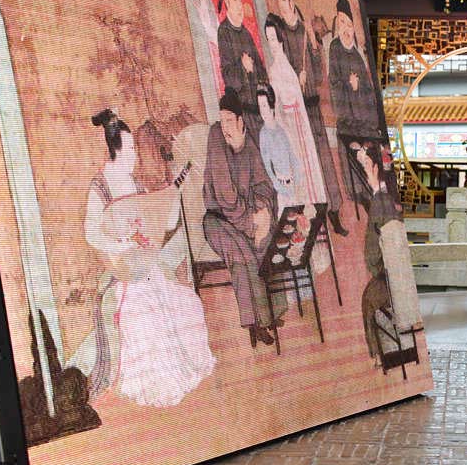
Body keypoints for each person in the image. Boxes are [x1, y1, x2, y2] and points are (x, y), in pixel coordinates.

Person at [82, 108, 215, 407]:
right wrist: (121, 243)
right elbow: (92, 234)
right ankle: (152, 379)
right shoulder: (99, 187)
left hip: (146, 264)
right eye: (130, 149)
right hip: (121, 270)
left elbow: (163, 223)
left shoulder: (136, 185)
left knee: (185, 302)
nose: (135, 155)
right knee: (143, 309)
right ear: (115, 150)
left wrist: (173, 195)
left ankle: (175, 370)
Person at [203, 88, 279, 347]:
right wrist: (251, 224)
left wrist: (262, 212)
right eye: (221, 120)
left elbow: (264, 184)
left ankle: (267, 314)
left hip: (245, 217)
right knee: (242, 254)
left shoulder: (248, 141)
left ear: (240, 120)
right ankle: (254, 323)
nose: (225, 126)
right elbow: (225, 197)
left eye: (229, 120)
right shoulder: (216, 136)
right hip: (217, 220)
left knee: (266, 242)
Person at [274, 0, 348, 236]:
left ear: (291, 1)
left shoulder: (305, 30)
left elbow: (318, 77)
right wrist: (294, 79)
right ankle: (315, 217)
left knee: (324, 161)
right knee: (304, 164)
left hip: (312, 108)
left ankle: (334, 211)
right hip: (295, 109)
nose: (280, 4)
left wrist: (314, 51)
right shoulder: (280, 33)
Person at [263, 14, 328, 209]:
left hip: (299, 124)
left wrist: (298, 85)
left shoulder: (286, 64)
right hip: (289, 127)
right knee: (298, 168)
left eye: (274, 38)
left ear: (281, 38)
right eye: (268, 39)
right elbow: (280, 103)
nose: (272, 44)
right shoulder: (274, 70)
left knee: (308, 166)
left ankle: (313, 206)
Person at [327, 0, 383, 207]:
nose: (345, 28)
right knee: (353, 144)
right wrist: (349, 86)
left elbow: (368, 92)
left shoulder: (358, 56)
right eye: (341, 22)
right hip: (347, 121)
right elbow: (334, 84)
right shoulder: (335, 49)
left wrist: (358, 90)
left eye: (349, 24)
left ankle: (375, 193)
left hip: (363, 120)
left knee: (373, 145)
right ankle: (363, 196)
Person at [350, 141, 402, 359]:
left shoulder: (379, 205)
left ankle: (381, 355)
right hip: (408, 276)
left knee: (368, 300)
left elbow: (373, 259)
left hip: (393, 283)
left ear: (374, 169)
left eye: (366, 167)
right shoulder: (396, 198)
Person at [217, 0, 267, 144]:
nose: (239, 6)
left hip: (258, 110)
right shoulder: (224, 32)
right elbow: (228, 76)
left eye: (240, 1)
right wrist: (243, 67)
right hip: (241, 113)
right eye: (234, 0)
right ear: (226, 0)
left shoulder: (246, 34)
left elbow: (261, 70)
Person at [256, 83, 305, 217]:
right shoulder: (264, 134)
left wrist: (298, 182)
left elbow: (293, 157)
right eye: (259, 106)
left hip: (293, 186)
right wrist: (279, 187)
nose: (262, 110)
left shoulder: (281, 130)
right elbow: (267, 167)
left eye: (264, 105)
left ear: (271, 106)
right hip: (281, 191)